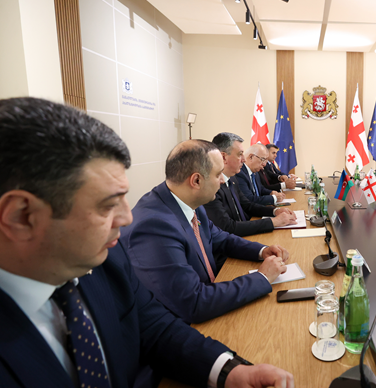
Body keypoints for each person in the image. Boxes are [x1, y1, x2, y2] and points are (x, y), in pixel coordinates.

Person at [0, 97, 294, 388]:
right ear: (21, 217)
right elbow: (190, 304)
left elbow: (155, 327)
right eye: (107, 205)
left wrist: (229, 371)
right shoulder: (118, 242)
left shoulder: (103, 260)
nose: (127, 218)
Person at [121, 140, 290, 324]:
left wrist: (261, 250)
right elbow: (194, 303)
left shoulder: (189, 201)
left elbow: (221, 238)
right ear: (196, 180)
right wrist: (262, 277)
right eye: (218, 174)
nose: (223, 180)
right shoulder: (154, 227)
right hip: (183, 326)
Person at [204, 133, 297, 237]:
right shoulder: (212, 187)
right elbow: (228, 227)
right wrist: (273, 222)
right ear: (223, 157)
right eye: (240, 154)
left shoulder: (232, 179)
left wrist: (275, 211)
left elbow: (248, 205)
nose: (244, 159)